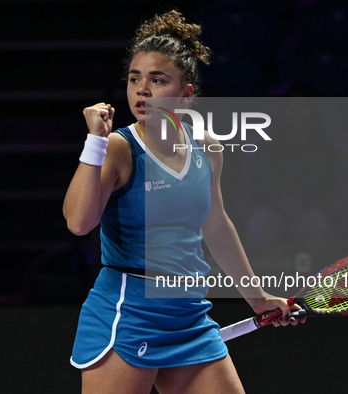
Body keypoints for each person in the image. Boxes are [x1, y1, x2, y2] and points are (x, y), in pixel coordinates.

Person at [63, 10, 304, 394]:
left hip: (189, 314)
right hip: (129, 314)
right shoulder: (117, 149)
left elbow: (216, 225)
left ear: (186, 94)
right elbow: (78, 222)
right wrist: (94, 143)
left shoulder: (206, 148)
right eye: (134, 79)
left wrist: (258, 298)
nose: (142, 90)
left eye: (157, 80)